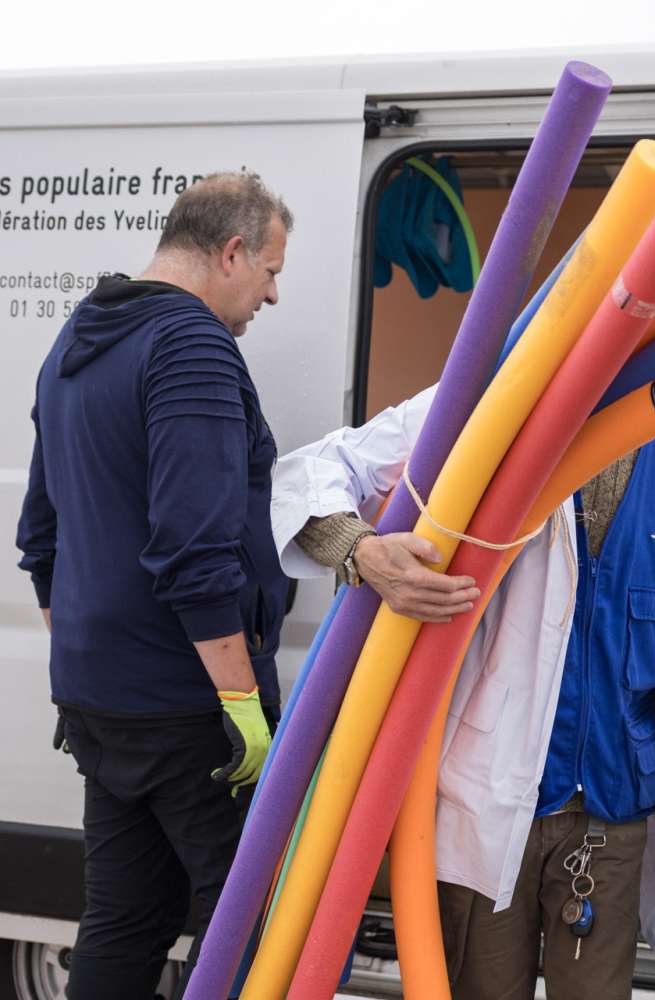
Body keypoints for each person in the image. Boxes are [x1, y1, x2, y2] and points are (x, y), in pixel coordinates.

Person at [269, 383, 655, 1000]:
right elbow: (314, 471)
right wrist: (361, 552)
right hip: (488, 796)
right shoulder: (496, 404)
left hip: (615, 806)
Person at [15, 172, 293, 1000]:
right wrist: (240, 702)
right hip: (191, 707)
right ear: (231, 251)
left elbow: (40, 537)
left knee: (125, 921)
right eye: (271, 271)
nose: (271, 295)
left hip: (100, 703)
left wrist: (92, 657)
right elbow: (194, 548)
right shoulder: (193, 345)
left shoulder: (78, 337)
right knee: (252, 926)